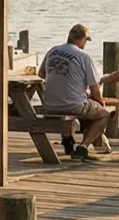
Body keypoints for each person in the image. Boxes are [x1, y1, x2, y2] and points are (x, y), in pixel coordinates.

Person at [39, 24, 111, 159]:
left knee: (68, 104)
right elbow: (94, 88)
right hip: (73, 105)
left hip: (49, 104)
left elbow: (41, 74)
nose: (85, 44)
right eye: (85, 41)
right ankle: (83, 147)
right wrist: (100, 103)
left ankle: (67, 138)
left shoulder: (52, 51)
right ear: (81, 40)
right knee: (103, 115)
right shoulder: (83, 56)